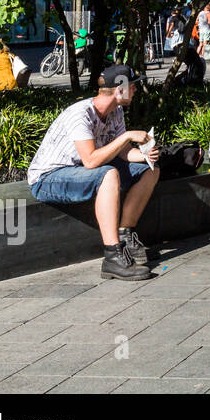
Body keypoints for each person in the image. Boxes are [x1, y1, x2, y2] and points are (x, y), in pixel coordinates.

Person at [27, 65, 160, 280]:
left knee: (149, 171)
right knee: (108, 174)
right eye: (133, 86)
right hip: (49, 177)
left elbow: (124, 152)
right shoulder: (81, 114)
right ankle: (112, 256)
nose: (135, 90)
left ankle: (125, 233)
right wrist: (126, 137)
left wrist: (145, 156)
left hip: (80, 172)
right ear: (120, 89)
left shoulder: (115, 112)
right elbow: (90, 160)